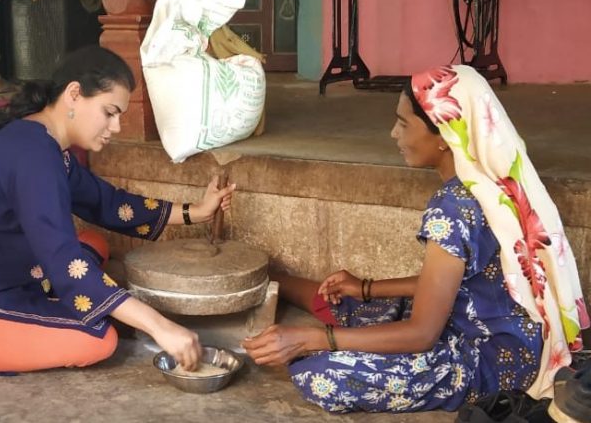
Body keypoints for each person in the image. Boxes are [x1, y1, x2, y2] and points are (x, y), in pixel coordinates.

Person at [243, 65, 589, 413]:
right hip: (514, 339)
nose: (394, 133)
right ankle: (272, 283)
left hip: (492, 361)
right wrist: (365, 286)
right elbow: (458, 284)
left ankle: (299, 325)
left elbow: (422, 333)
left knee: (317, 372)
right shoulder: (497, 182)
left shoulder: (452, 207)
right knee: (351, 302)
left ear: (443, 135)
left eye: (404, 123)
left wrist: (316, 338)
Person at [0, 45, 237, 377]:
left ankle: (73, 300)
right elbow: (63, 260)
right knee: (98, 339)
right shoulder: (33, 153)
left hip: (1, 275)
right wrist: (160, 326)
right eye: (110, 112)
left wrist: (197, 211)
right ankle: (58, 311)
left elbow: (108, 204)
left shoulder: (47, 146)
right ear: (74, 94)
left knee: (94, 243)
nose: (116, 126)